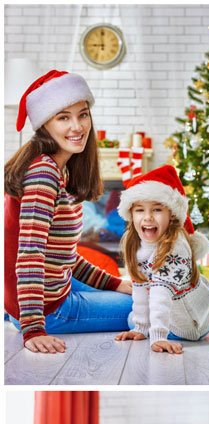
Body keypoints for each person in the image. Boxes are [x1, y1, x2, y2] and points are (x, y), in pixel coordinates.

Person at [4, 69, 132, 354]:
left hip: (53, 291)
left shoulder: (58, 168)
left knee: (139, 289)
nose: (77, 126)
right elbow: (30, 254)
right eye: (63, 117)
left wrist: (115, 283)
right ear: (45, 124)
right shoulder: (43, 173)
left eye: (83, 114)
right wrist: (34, 328)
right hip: (49, 311)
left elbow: (63, 256)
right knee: (151, 304)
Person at [114, 165, 209, 354]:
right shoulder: (133, 241)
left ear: (171, 215)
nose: (147, 217)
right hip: (181, 305)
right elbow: (139, 286)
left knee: (143, 314)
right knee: (135, 321)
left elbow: (160, 293)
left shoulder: (175, 245)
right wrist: (141, 328)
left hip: (190, 326)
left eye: (157, 209)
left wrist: (159, 336)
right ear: (130, 214)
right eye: (139, 210)